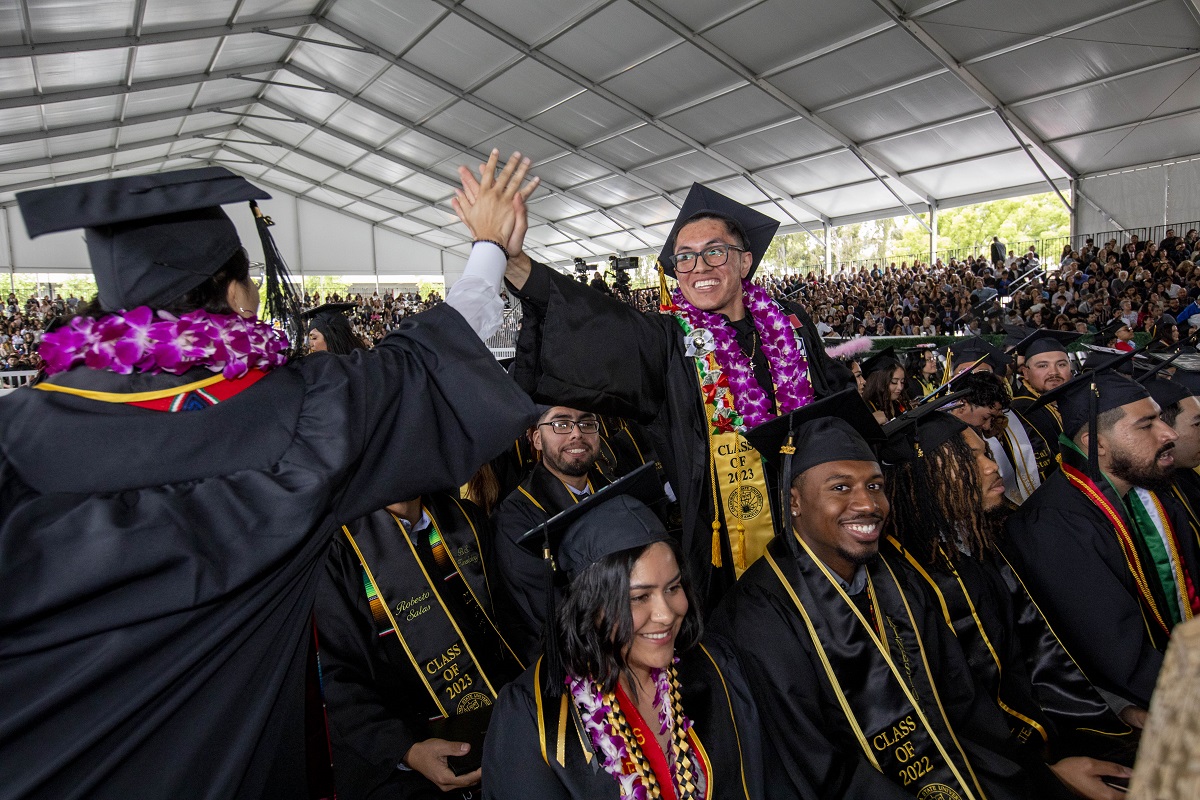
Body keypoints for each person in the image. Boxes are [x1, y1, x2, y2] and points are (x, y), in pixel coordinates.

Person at [0, 159, 539, 799]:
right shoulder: (292, 414)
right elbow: (422, 366)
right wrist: (487, 245)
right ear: (235, 297)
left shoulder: (16, 433)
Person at [473, 175, 850, 607]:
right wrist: (515, 261)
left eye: (714, 252)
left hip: (818, 526)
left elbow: (833, 405)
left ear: (745, 262)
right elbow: (600, 325)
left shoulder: (790, 326)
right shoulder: (670, 343)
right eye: (684, 257)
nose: (698, 267)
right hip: (728, 553)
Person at [711, 390, 1033, 799]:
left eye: (875, 485)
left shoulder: (902, 579)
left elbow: (962, 704)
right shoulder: (757, 618)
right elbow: (813, 766)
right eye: (840, 487)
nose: (867, 503)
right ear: (794, 502)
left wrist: (1030, 778)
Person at [881, 404, 1136, 799]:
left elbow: (1042, 650)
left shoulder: (986, 541)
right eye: (969, 459)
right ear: (923, 477)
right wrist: (1047, 777)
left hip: (1056, 738)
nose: (990, 466)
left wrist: (1119, 707)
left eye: (986, 452)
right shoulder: (905, 589)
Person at [483, 467, 764, 799]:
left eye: (673, 587)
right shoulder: (534, 717)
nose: (666, 614)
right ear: (590, 606)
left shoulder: (715, 667)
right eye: (639, 597)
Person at [1005, 365, 1200, 714]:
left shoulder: (1151, 496)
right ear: (1097, 444)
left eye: (1161, 418)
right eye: (1147, 425)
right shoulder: (1053, 526)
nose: (1169, 433)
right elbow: (1115, 652)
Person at [316, 491, 524, 799]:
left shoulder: (465, 519)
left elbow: (514, 624)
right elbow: (338, 680)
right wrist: (408, 751)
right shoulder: (337, 552)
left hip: (507, 723)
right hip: (406, 756)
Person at [491, 406, 611, 659]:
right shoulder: (515, 520)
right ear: (537, 439)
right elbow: (549, 614)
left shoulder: (615, 489)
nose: (577, 434)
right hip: (582, 658)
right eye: (561, 424)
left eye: (587, 423)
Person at [1009, 330, 1082, 481]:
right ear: (1025, 373)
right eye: (1042, 366)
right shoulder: (1019, 412)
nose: (1053, 372)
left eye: (1061, 364)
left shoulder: (1082, 401)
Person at [861, 347, 908, 423]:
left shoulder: (896, 403)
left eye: (902, 382)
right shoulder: (868, 408)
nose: (900, 387)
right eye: (894, 382)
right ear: (880, 382)